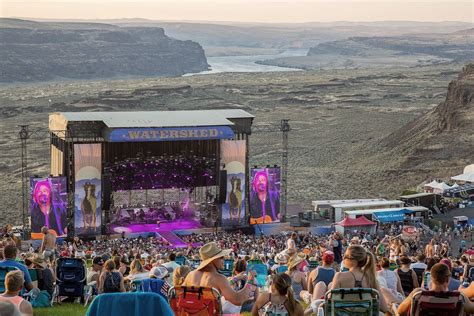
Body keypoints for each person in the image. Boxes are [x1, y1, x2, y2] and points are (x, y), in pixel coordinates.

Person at [184, 242, 258, 306]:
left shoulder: (190, 275)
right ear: (212, 260)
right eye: (221, 257)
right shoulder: (219, 279)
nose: (224, 259)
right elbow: (238, 300)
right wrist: (250, 280)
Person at [331, 245, 389, 313]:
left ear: (353, 260)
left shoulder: (339, 276)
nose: (343, 258)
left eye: (346, 256)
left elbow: (330, 300)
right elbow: (384, 308)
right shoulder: (371, 279)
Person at [397, 263, 474, 315]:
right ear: (447, 280)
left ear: (431, 278)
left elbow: (399, 311)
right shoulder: (458, 297)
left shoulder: (418, 294)